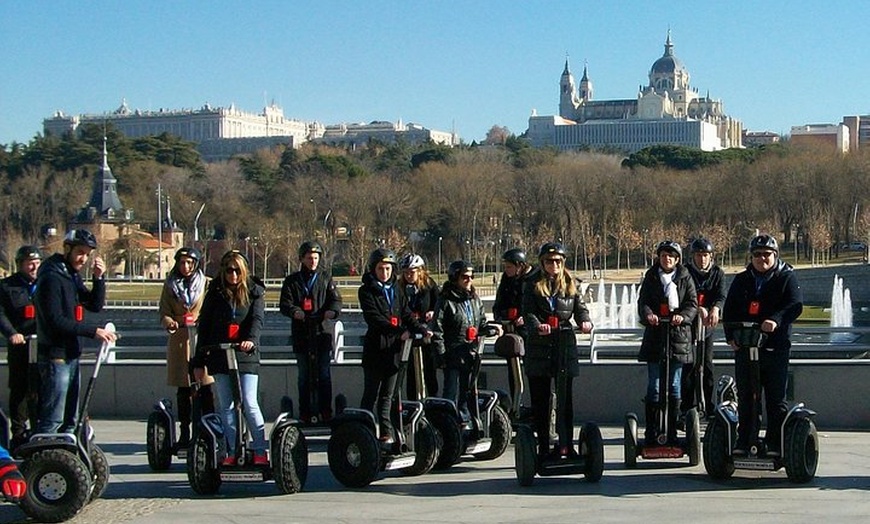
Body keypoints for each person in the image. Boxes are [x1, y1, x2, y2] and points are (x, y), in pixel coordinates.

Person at [723, 234, 802, 456]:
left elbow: (795, 305)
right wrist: (731, 336)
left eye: (766, 254)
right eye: (757, 255)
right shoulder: (742, 280)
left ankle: (775, 443)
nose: (761, 259)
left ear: (775, 255)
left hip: (775, 347)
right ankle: (745, 440)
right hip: (746, 347)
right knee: (748, 396)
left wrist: (776, 320)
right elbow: (729, 310)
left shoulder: (786, 277)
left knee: (775, 399)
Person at [34, 229, 116, 434]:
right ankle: (44, 455)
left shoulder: (69, 274)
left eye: (88, 254)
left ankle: (67, 458)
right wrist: (92, 331)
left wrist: (99, 279)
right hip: (55, 356)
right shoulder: (51, 277)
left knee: (71, 419)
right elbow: (55, 321)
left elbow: (94, 305)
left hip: (71, 354)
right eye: (80, 252)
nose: (84, 259)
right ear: (67, 249)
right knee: (53, 418)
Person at [191, 250, 268, 466]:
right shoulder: (215, 293)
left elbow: (257, 320)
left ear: (243, 271)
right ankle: (232, 450)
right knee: (227, 406)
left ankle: (260, 450)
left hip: (245, 356)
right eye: (228, 271)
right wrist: (198, 361)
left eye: (237, 271)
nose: (233, 275)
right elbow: (204, 326)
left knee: (249, 403)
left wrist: (250, 340)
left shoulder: (255, 292)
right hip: (220, 354)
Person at [522, 242, 592, 458]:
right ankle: (543, 446)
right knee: (542, 401)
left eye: (558, 261)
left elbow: (580, 308)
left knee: (565, 400)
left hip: (564, 344)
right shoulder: (532, 283)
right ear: (542, 263)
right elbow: (528, 313)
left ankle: (566, 445)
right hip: (540, 348)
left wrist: (585, 321)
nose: (554, 265)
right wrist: (537, 327)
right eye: (550, 261)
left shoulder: (570, 283)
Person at [358, 248, 430, 443]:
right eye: (381, 269)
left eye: (388, 269)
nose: (385, 273)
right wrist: (399, 332)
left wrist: (421, 330)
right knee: (371, 394)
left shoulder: (396, 289)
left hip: (395, 351)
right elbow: (375, 319)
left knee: (388, 395)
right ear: (373, 269)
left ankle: (387, 432)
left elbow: (406, 314)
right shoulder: (366, 290)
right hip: (376, 348)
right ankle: (364, 430)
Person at [637, 240, 697, 445]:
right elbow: (643, 302)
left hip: (678, 338)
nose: (667, 259)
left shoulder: (685, 277)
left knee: (674, 385)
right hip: (655, 337)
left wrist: (683, 316)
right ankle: (652, 432)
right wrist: (649, 315)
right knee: (654, 386)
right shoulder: (651, 277)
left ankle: (671, 433)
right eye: (663, 255)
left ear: (677, 259)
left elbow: (692, 303)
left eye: (671, 255)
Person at [279, 241, 342, 423]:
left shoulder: (325, 279)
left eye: (315, 258)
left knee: (323, 374)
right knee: (304, 376)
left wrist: (332, 312)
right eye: (309, 258)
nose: (313, 261)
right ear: (302, 259)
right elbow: (285, 304)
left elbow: (336, 301)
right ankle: (305, 412)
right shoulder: (292, 281)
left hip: (322, 332)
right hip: (302, 333)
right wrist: (295, 312)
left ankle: (326, 411)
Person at [158, 246, 214, 448]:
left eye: (190, 263)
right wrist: (170, 322)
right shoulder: (170, 285)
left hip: (201, 340)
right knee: (184, 391)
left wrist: (204, 321)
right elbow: (163, 311)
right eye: (182, 263)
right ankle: (185, 432)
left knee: (205, 388)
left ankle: (209, 430)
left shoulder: (206, 284)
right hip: (180, 341)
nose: (186, 267)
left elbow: (213, 308)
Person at [432, 260, 502, 421]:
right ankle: (447, 425)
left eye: (471, 277)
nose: (469, 280)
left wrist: (492, 329)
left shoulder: (474, 299)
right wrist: (441, 356)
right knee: (451, 392)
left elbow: (481, 323)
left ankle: (465, 422)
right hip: (452, 354)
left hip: (470, 354)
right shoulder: (446, 301)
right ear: (455, 278)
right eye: (465, 277)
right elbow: (437, 330)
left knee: (468, 391)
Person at [680, 238, 726, 419]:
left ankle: (708, 405)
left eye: (705, 255)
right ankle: (687, 408)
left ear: (711, 256)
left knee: (706, 366)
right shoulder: (685, 272)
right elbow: (682, 295)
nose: (702, 259)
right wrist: (696, 308)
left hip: (706, 327)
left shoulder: (717, 273)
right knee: (689, 366)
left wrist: (716, 308)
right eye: (698, 255)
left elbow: (721, 295)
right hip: (689, 326)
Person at [0, 245, 41, 447]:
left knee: (41, 389)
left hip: (42, 345)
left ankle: (40, 429)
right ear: (20, 265)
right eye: (29, 263)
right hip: (21, 344)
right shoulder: (7, 286)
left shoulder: (46, 284)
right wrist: (12, 333)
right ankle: (18, 433)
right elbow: (1, 314)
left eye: (36, 263)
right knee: (19, 389)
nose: (34, 267)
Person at [398, 253, 440, 399]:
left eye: (412, 272)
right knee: (411, 372)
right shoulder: (400, 288)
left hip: (426, 333)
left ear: (420, 271)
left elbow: (439, 304)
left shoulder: (429, 285)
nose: (409, 276)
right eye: (406, 273)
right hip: (409, 334)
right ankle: (412, 402)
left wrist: (432, 312)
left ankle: (432, 399)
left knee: (429, 369)